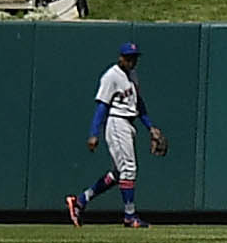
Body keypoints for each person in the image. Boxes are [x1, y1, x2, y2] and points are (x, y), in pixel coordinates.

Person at [68, 36, 162, 224]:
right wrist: (94, 133)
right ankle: (129, 215)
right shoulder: (111, 76)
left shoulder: (133, 75)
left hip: (129, 123)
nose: (132, 60)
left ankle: (80, 200)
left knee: (119, 174)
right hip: (116, 122)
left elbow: (138, 103)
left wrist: (150, 127)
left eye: (134, 57)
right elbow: (102, 106)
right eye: (129, 57)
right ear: (121, 57)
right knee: (129, 169)